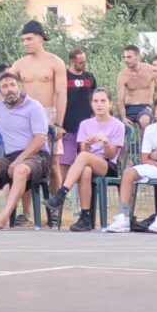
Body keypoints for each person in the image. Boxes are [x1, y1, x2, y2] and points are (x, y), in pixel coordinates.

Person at [104, 96, 157, 234]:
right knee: (128, 173)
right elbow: (145, 159)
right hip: (156, 166)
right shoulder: (150, 129)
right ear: (155, 113)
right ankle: (123, 217)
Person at [45, 88, 124, 231]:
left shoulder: (118, 125)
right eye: (95, 101)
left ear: (110, 104)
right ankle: (85, 217)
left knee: (83, 158)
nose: (99, 104)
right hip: (88, 161)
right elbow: (84, 151)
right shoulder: (85, 124)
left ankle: (62, 193)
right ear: (91, 104)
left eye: (103, 101)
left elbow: (111, 154)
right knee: (85, 171)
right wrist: (87, 144)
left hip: (107, 165)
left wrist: (106, 143)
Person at [0, 71, 49, 229]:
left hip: (37, 156)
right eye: (4, 86)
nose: (9, 89)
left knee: (20, 169)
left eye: (12, 85)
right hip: (11, 155)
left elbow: (40, 139)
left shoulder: (33, 106)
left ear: (19, 87)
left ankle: (3, 217)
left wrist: (19, 161)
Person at [11, 21, 67, 197]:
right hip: (25, 116)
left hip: (48, 114)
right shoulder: (19, 64)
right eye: (23, 40)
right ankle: (27, 210)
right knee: (24, 161)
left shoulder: (55, 62)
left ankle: (55, 206)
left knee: (54, 164)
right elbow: (5, 87)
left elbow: (61, 93)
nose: (25, 43)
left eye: (29, 39)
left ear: (40, 38)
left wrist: (59, 124)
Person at [61, 49, 97, 175]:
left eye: (84, 61)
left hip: (87, 129)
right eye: (81, 62)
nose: (84, 64)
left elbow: (95, 98)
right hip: (68, 128)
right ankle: (62, 187)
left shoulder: (90, 77)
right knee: (64, 163)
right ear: (72, 61)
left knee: (87, 163)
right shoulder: (63, 77)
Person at [117, 45, 155, 132]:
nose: (126, 60)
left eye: (129, 57)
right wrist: (123, 118)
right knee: (117, 124)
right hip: (128, 107)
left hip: (145, 106)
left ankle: (144, 141)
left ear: (138, 57)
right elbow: (120, 99)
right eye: (124, 57)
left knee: (144, 121)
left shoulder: (150, 70)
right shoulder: (123, 75)